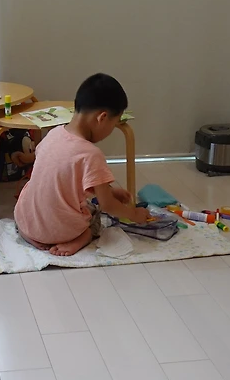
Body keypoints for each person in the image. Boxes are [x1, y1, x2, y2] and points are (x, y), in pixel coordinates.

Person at [13, 73, 149, 256]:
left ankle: (30, 235)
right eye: (113, 124)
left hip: (27, 222)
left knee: (33, 196)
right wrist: (134, 214)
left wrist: (109, 191)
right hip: (61, 231)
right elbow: (108, 205)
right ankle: (82, 238)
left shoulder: (53, 134)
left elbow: (62, 176)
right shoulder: (91, 154)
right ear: (102, 118)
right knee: (94, 214)